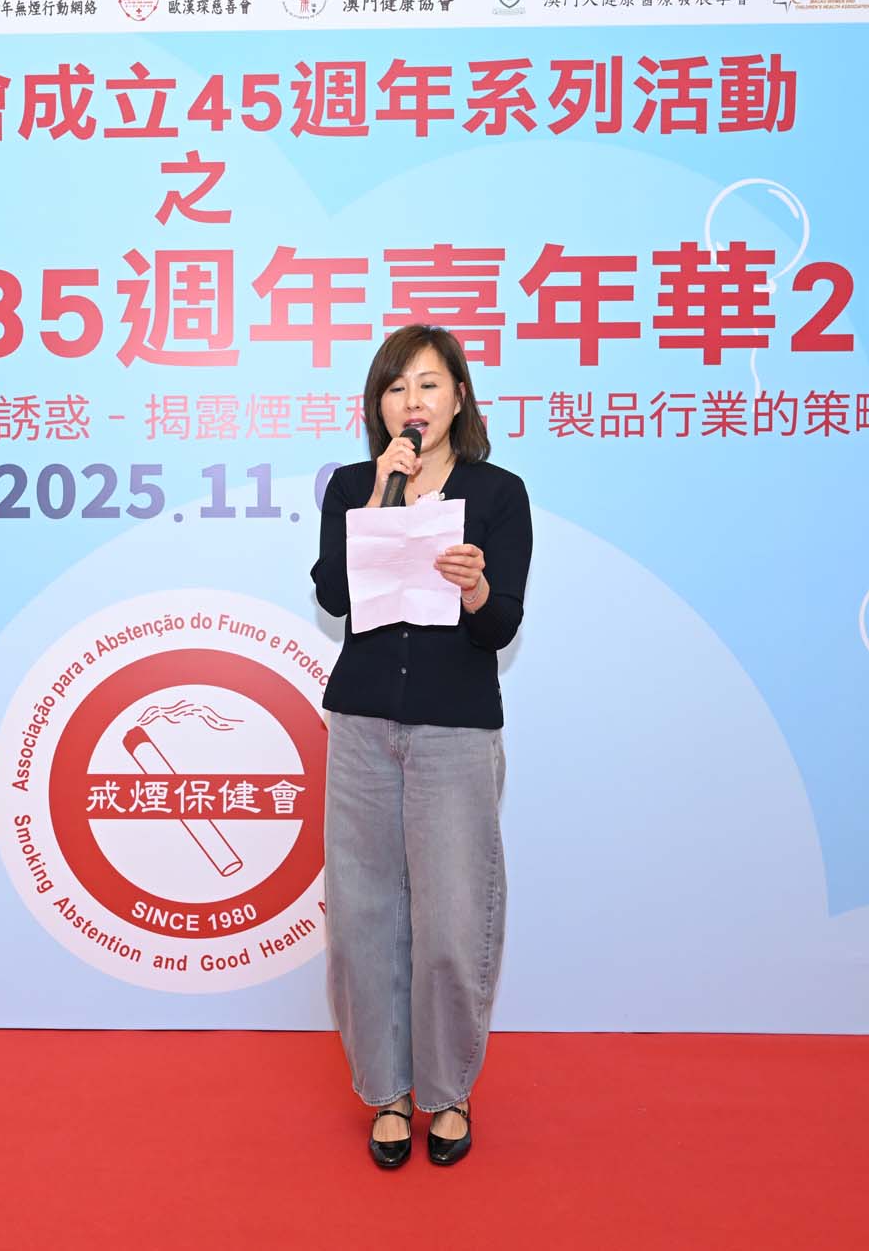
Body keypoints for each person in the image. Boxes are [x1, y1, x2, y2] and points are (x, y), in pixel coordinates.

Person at [309, 323, 531, 1169]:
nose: (413, 401)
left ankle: (447, 1090)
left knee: (449, 919)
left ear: (459, 397)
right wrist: (378, 498)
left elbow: (501, 623)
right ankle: (388, 1092)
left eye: (430, 384)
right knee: (362, 919)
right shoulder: (354, 487)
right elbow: (333, 594)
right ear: (379, 406)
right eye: (397, 388)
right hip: (362, 725)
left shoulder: (497, 492)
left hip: (455, 729)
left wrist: (475, 588)